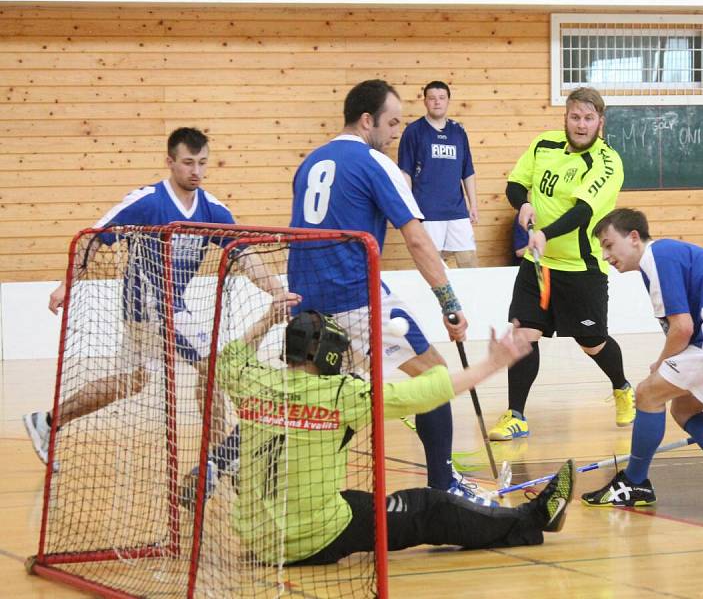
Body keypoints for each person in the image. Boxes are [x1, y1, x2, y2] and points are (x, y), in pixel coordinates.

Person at [216, 305, 575, 565]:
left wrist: (267, 317)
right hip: (310, 537)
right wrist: (492, 364)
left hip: (259, 535)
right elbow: (427, 393)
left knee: (355, 499)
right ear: (327, 353)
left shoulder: (252, 382)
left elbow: (230, 357)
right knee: (428, 507)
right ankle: (533, 519)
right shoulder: (343, 394)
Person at [22, 127, 284, 478]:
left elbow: (246, 255)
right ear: (170, 162)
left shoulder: (214, 210)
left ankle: (48, 421)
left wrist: (276, 290)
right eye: (188, 162)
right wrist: (66, 285)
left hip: (166, 307)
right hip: (150, 307)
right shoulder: (148, 201)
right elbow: (93, 238)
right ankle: (221, 459)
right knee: (215, 367)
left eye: (202, 163)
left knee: (132, 381)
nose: (196, 171)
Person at [286, 79, 477, 499]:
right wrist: (449, 302)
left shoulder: (310, 162)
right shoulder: (375, 162)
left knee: (331, 396)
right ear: (367, 119)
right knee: (434, 376)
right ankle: (445, 487)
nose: (395, 133)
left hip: (304, 298)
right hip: (355, 295)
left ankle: (219, 462)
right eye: (392, 123)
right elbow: (417, 239)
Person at [582, 208, 703, 510]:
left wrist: (660, 365)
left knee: (648, 393)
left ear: (634, 238)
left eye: (609, 245)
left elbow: (682, 328)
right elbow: (685, 327)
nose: (606, 255)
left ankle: (635, 483)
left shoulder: (657, 257)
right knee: (685, 409)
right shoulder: (667, 257)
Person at [488, 86, 635, 442]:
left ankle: (622, 387)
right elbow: (515, 184)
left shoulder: (607, 162)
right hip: (539, 265)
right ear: (565, 118)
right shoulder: (544, 145)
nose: (581, 125)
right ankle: (516, 415)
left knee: (592, 342)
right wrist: (521, 204)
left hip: (580, 268)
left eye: (588, 118)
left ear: (601, 121)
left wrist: (545, 234)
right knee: (524, 335)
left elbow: (583, 211)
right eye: (574, 117)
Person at [398, 80, 479, 268]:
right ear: (425, 101)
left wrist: (473, 204)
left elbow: (468, 171)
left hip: (457, 211)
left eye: (442, 98)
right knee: (432, 265)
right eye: (432, 98)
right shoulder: (413, 131)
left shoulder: (458, 132)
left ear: (448, 101)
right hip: (428, 212)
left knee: (469, 262)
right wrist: (411, 208)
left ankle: (469, 298)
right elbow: (405, 172)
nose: (437, 102)